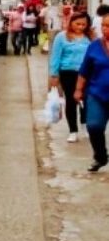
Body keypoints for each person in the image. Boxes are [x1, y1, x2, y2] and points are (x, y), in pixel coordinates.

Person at [50, 12, 93, 143]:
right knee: (71, 101)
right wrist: (54, 74)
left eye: (83, 24)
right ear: (71, 22)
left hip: (87, 73)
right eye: (77, 24)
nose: (80, 27)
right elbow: (55, 56)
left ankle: (84, 125)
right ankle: (73, 131)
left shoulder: (90, 38)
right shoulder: (62, 37)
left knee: (86, 100)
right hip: (68, 72)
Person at [74, 14, 109, 172]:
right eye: (103, 25)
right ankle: (100, 156)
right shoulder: (94, 46)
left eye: (108, 26)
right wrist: (78, 89)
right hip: (97, 94)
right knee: (94, 126)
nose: (104, 29)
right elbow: (84, 70)